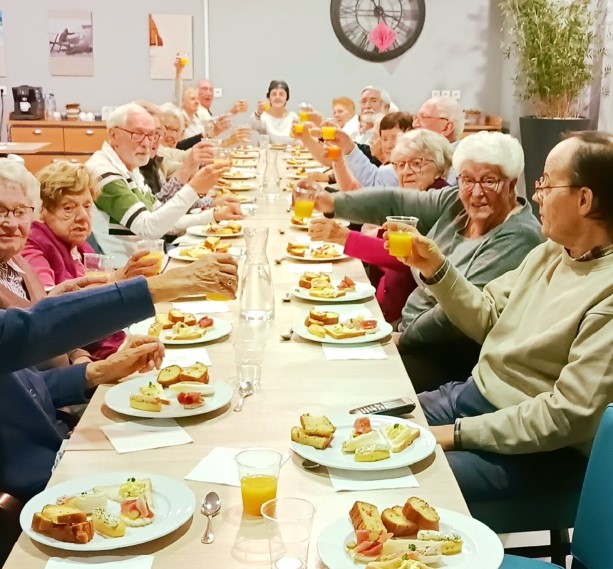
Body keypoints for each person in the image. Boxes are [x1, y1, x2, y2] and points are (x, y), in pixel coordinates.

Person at [390, 130, 613, 508]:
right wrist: (437, 269)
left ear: (584, 199)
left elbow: (565, 416)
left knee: (400, 478)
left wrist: (455, 434)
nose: (537, 195)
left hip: (537, 449)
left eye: (546, 183)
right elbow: (487, 317)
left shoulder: (606, 292)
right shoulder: (551, 252)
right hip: (473, 397)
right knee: (363, 428)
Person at [0, 251, 238, 502]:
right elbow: (28, 331)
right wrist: (165, 284)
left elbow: (22, 386)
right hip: (44, 480)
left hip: (66, 445)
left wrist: (94, 373)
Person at [315, 131, 543, 388]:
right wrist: (332, 203)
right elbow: (395, 201)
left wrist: (402, 336)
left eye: (489, 181)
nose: (476, 192)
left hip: (448, 357)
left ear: (512, 183)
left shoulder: (517, 236)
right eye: (467, 180)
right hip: (409, 333)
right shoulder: (456, 203)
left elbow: (456, 317)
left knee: (348, 380)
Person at [308, 129, 452, 324]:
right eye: (400, 165)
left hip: (405, 320)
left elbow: (404, 257)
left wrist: (342, 237)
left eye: (416, 163)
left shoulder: (438, 200)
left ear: (439, 167)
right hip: (382, 306)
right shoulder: (409, 196)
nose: (406, 171)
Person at [20, 161, 160, 359]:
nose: (82, 216)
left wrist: (125, 277)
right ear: (41, 211)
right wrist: (118, 279)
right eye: (68, 208)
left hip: (112, 343)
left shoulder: (79, 246)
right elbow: (50, 306)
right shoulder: (34, 243)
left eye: (87, 206)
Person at [86, 103, 237, 264]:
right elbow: (149, 228)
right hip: (124, 274)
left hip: (148, 263)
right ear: (114, 135)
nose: (147, 143)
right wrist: (194, 189)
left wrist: (213, 216)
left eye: (151, 135)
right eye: (137, 134)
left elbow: (164, 221)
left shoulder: (129, 166)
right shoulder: (103, 172)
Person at [413, 96, 465, 185]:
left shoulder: (463, 163)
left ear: (446, 127)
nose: (414, 124)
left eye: (423, 117)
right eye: (415, 118)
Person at [249, 80, 298, 145]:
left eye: (281, 94)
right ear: (269, 98)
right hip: (267, 154)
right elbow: (252, 124)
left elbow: (299, 139)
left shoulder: (293, 117)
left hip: (288, 154)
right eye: (274, 94)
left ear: (287, 98)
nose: (277, 97)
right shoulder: (263, 116)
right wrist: (258, 112)